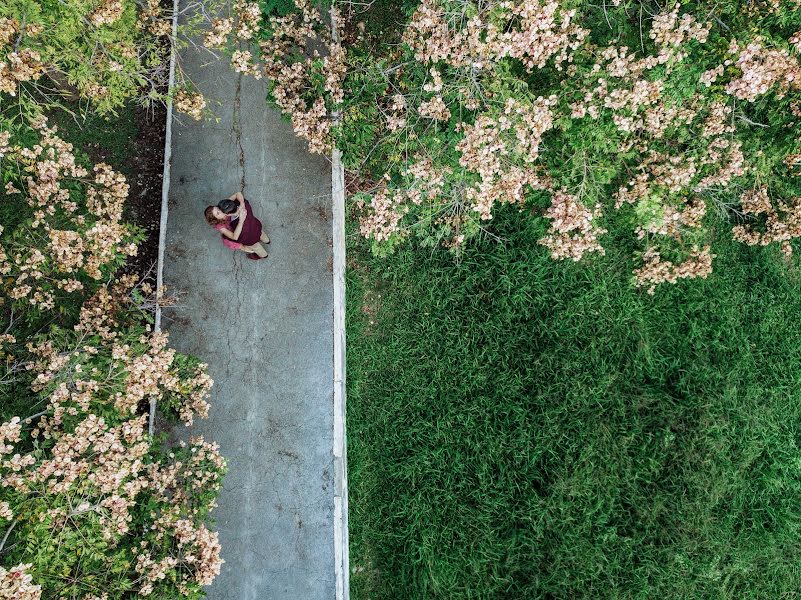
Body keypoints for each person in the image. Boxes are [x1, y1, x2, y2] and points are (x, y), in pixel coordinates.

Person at [205, 192, 270, 260]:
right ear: (216, 219)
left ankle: (264, 255)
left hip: (247, 236)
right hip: (255, 226)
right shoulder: (222, 222)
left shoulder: (225, 207)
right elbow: (238, 194)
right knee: (260, 233)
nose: (221, 211)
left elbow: (235, 237)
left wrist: (242, 207)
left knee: (256, 246)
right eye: (218, 213)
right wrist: (242, 206)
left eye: (218, 208)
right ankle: (267, 241)